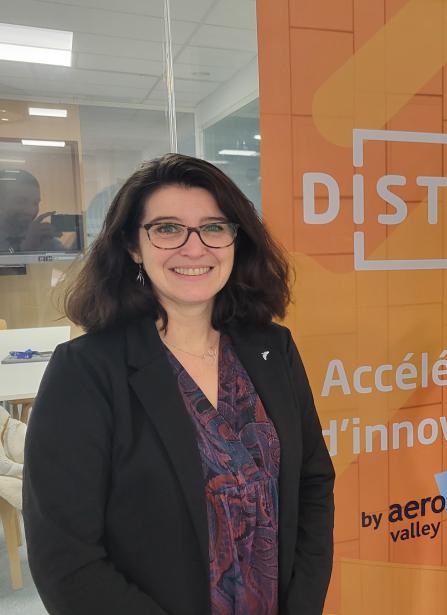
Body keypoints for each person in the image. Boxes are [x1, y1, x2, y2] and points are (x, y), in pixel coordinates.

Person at [23, 154, 335, 615]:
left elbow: (313, 484)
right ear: (133, 245)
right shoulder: (85, 372)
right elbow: (66, 560)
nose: (195, 248)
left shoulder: (273, 349)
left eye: (213, 227)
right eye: (167, 229)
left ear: (235, 240)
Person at [0, 169, 66, 253]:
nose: (30, 211)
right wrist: (26, 248)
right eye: (21, 201)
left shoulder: (42, 239)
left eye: (35, 203)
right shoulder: (34, 239)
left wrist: (76, 242)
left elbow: (73, 264)